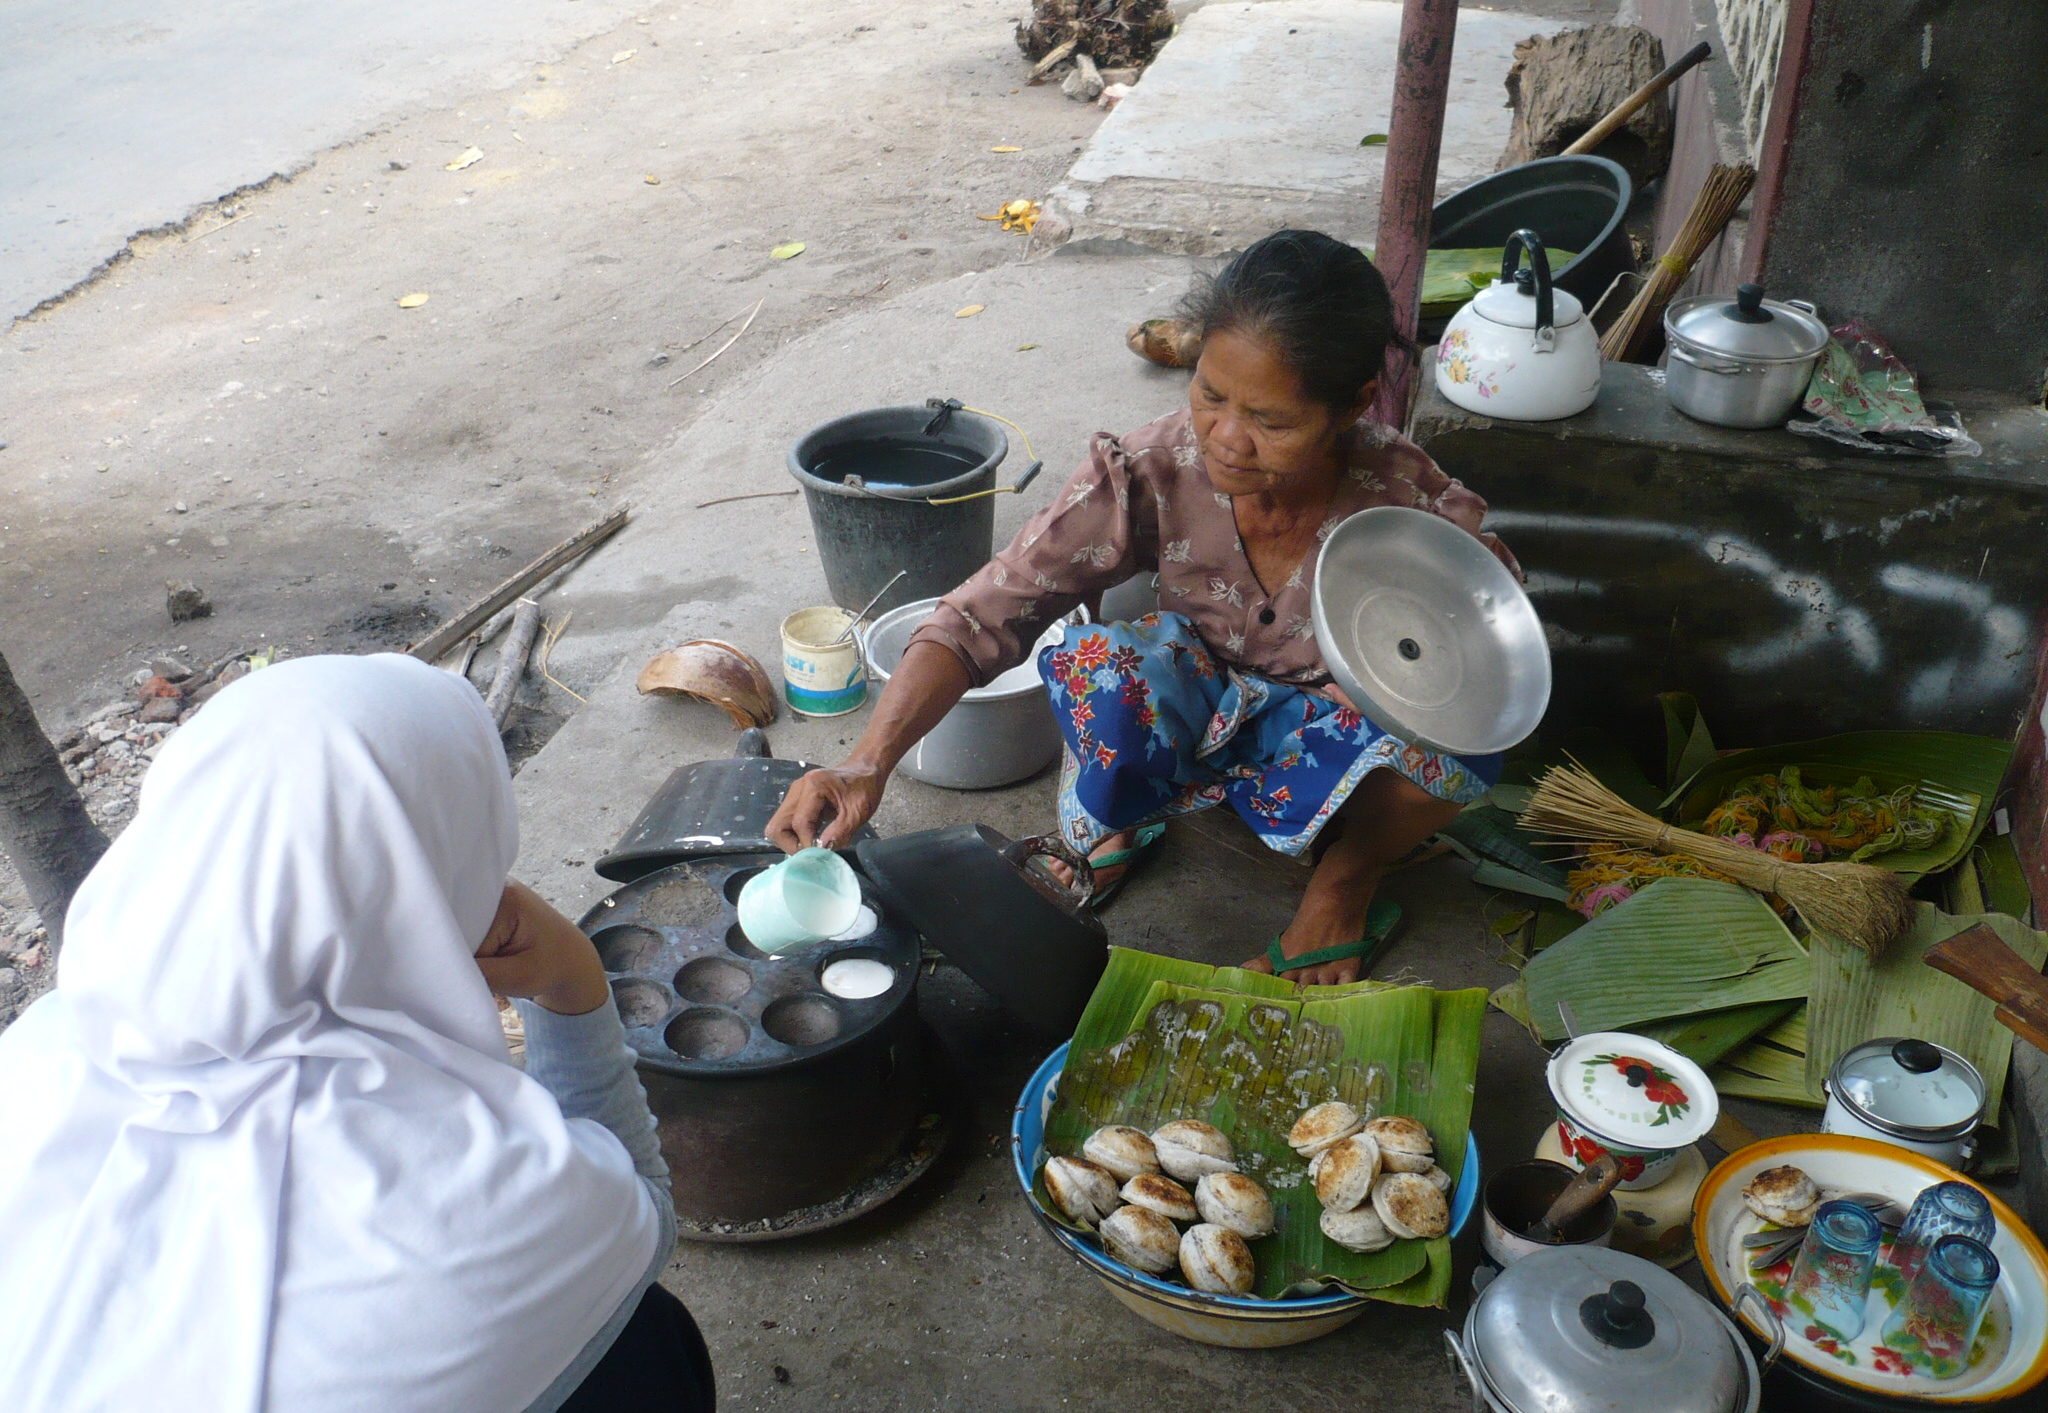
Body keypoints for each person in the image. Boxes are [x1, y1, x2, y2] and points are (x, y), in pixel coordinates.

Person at [768, 230, 1517, 987]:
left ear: (1351, 405)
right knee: (1106, 667)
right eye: (1210, 394)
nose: (1227, 439)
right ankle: (1125, 814)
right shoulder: (1154, 468)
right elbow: (982, 612)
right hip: (1194, 694)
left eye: (1271, 420)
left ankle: (1344, 882)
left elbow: (1495, 671)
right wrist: (867, 761)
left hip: (1330, 728)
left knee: (1463, 743)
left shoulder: (1410, 510)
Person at [0, 654, 714, 1413]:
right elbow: (642, 1219)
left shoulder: (36, 1058)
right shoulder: (479, 1213)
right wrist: (574, 980)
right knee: (649, 1342)